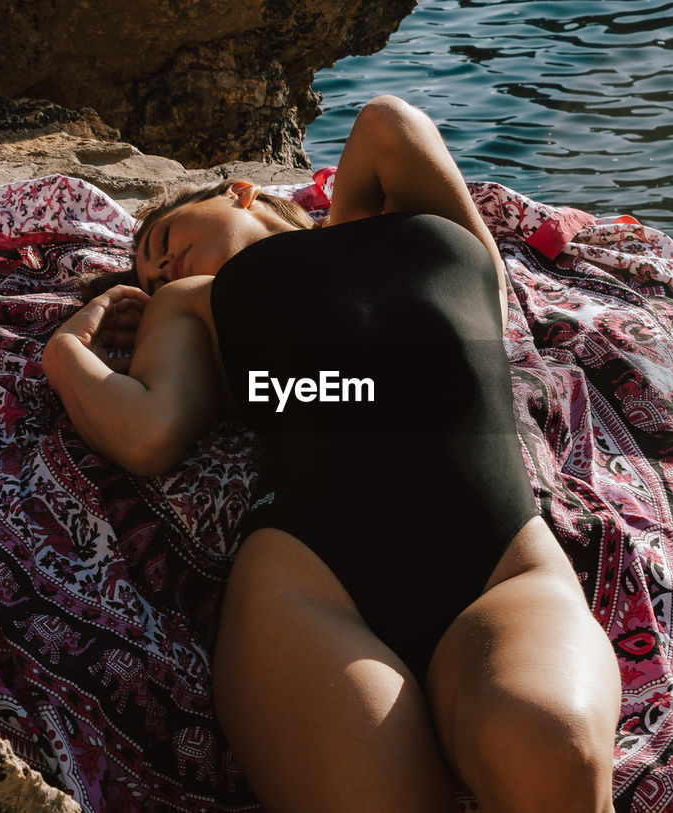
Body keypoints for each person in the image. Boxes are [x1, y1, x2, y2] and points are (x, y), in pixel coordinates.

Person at [42, 95, 622, 813]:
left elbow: (389, 122)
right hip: (313, 581)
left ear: (240, 190)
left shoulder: (415, 229)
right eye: (147, 268)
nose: (158, 263)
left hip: (500, 562)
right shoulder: (198, 297)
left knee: (552, 747)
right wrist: (68, 349)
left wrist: (334, 228)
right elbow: (147, 430)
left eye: (162, 233)